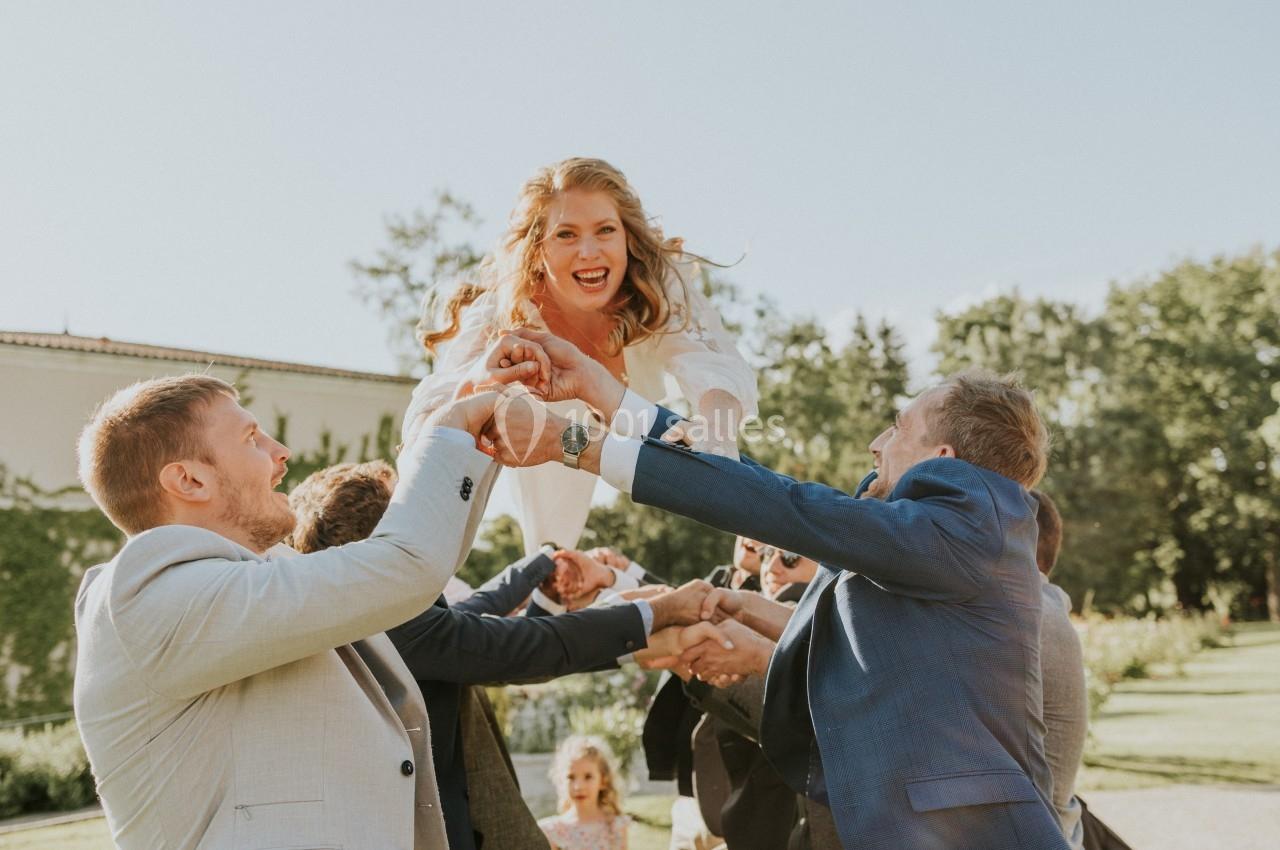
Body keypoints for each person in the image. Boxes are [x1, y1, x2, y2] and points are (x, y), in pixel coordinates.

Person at [483, 332, 1071, 850]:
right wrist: (604, 393)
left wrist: (575, 443)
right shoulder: (927, 543)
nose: (876, 442)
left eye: (898, 426)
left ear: (943, 459)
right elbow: (747, 481)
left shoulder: (971, 522)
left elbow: (778, 504)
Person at [71, 374, 500, 849]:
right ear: (189, 480)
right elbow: (403, 567)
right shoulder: (151, 595)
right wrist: (450, 432)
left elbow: (416, 568)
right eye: (251, 438)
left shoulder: (254, 578)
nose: (281, 453)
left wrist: (473, 434)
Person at [287, 459, 728, 850]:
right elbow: (526, 647)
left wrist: (543, 567)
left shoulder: (365, 611)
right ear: (385, 542)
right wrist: (658, 611)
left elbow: (469, 616)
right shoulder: (395, 623)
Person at [406, 156, 758, 553]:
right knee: (548, 546)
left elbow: (714, 365)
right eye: (566, 234)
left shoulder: (658, 283)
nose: (589, 252)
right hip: (541, 419)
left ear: (627, 236)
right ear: (538, 249)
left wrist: (717, 435)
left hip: (627, 410)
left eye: (605, 230)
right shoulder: (506, 309)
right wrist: (475, 390)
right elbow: (434, 405)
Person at [539, 735, 632, 850]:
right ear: (561, 781)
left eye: (588, 777)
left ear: (603, 781)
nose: (578, 786)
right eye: (571, 777)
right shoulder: (551, 831)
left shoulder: (615, 826)